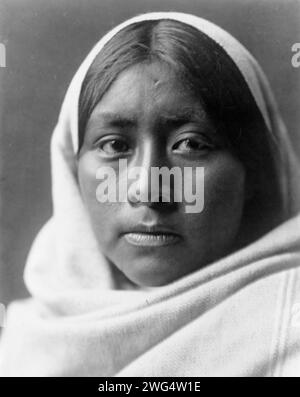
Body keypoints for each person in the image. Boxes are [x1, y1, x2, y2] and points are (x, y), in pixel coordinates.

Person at [0, 11, 299, 376]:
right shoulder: (22, 342)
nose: (148, 189)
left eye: (190, 144)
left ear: (252, 172)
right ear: (71, 169)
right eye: (114, 146)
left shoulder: (289, 329)